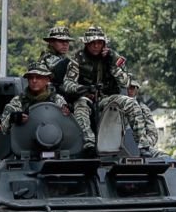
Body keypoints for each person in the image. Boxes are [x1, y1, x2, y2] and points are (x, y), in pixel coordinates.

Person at [62, 26, 152, 156]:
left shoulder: (113, 58)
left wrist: (112, 64)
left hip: (107, 99)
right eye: (92, 43)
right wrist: (84, 89)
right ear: (86, 43)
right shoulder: (77, 59)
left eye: (99, 43)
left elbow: (125, 82)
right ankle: (89, 143)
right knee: (81, 104)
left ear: (104, 44)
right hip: (86, 98)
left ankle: (143, 146)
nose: (96, 46)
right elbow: (67, 84)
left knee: (131, 103)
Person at [1, 62, 70, 134]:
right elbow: (3, 129)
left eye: (38, 77)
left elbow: (68, 126)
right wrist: (13, 119)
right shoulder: (19, 100)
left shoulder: (57, 100)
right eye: (31, 78)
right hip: (26, 138)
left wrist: (67, 111)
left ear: (47, 79)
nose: (34, 81)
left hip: (52, 137)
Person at [38, 26, 75, 95]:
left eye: (67, 41)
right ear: (51, 42)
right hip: (49, 94)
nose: (65, 44)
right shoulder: (47, 57)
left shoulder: (62, 57)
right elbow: (58, 68)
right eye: (61, 41)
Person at [127, 76, 158, 147]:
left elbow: (153, 134)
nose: (129, 90)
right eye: (127, 88)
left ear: (136, 90)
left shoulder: (143, 109)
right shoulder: (115, 107)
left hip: (136, 147)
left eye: (132, 88)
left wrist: (145, 145)